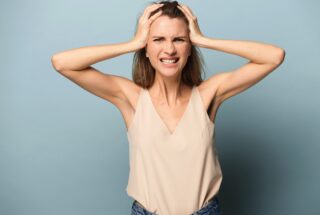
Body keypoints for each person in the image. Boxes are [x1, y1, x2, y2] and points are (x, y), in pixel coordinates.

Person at [51, 1, 285, 214]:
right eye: (158, 39)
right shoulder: (131, 97)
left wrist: (203, 39)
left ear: (189, 46)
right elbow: (62, 63)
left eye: (179, 39)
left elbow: (274, 56)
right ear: (146, 47)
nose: (169, 50)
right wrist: (132, 43)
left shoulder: (208, 94)